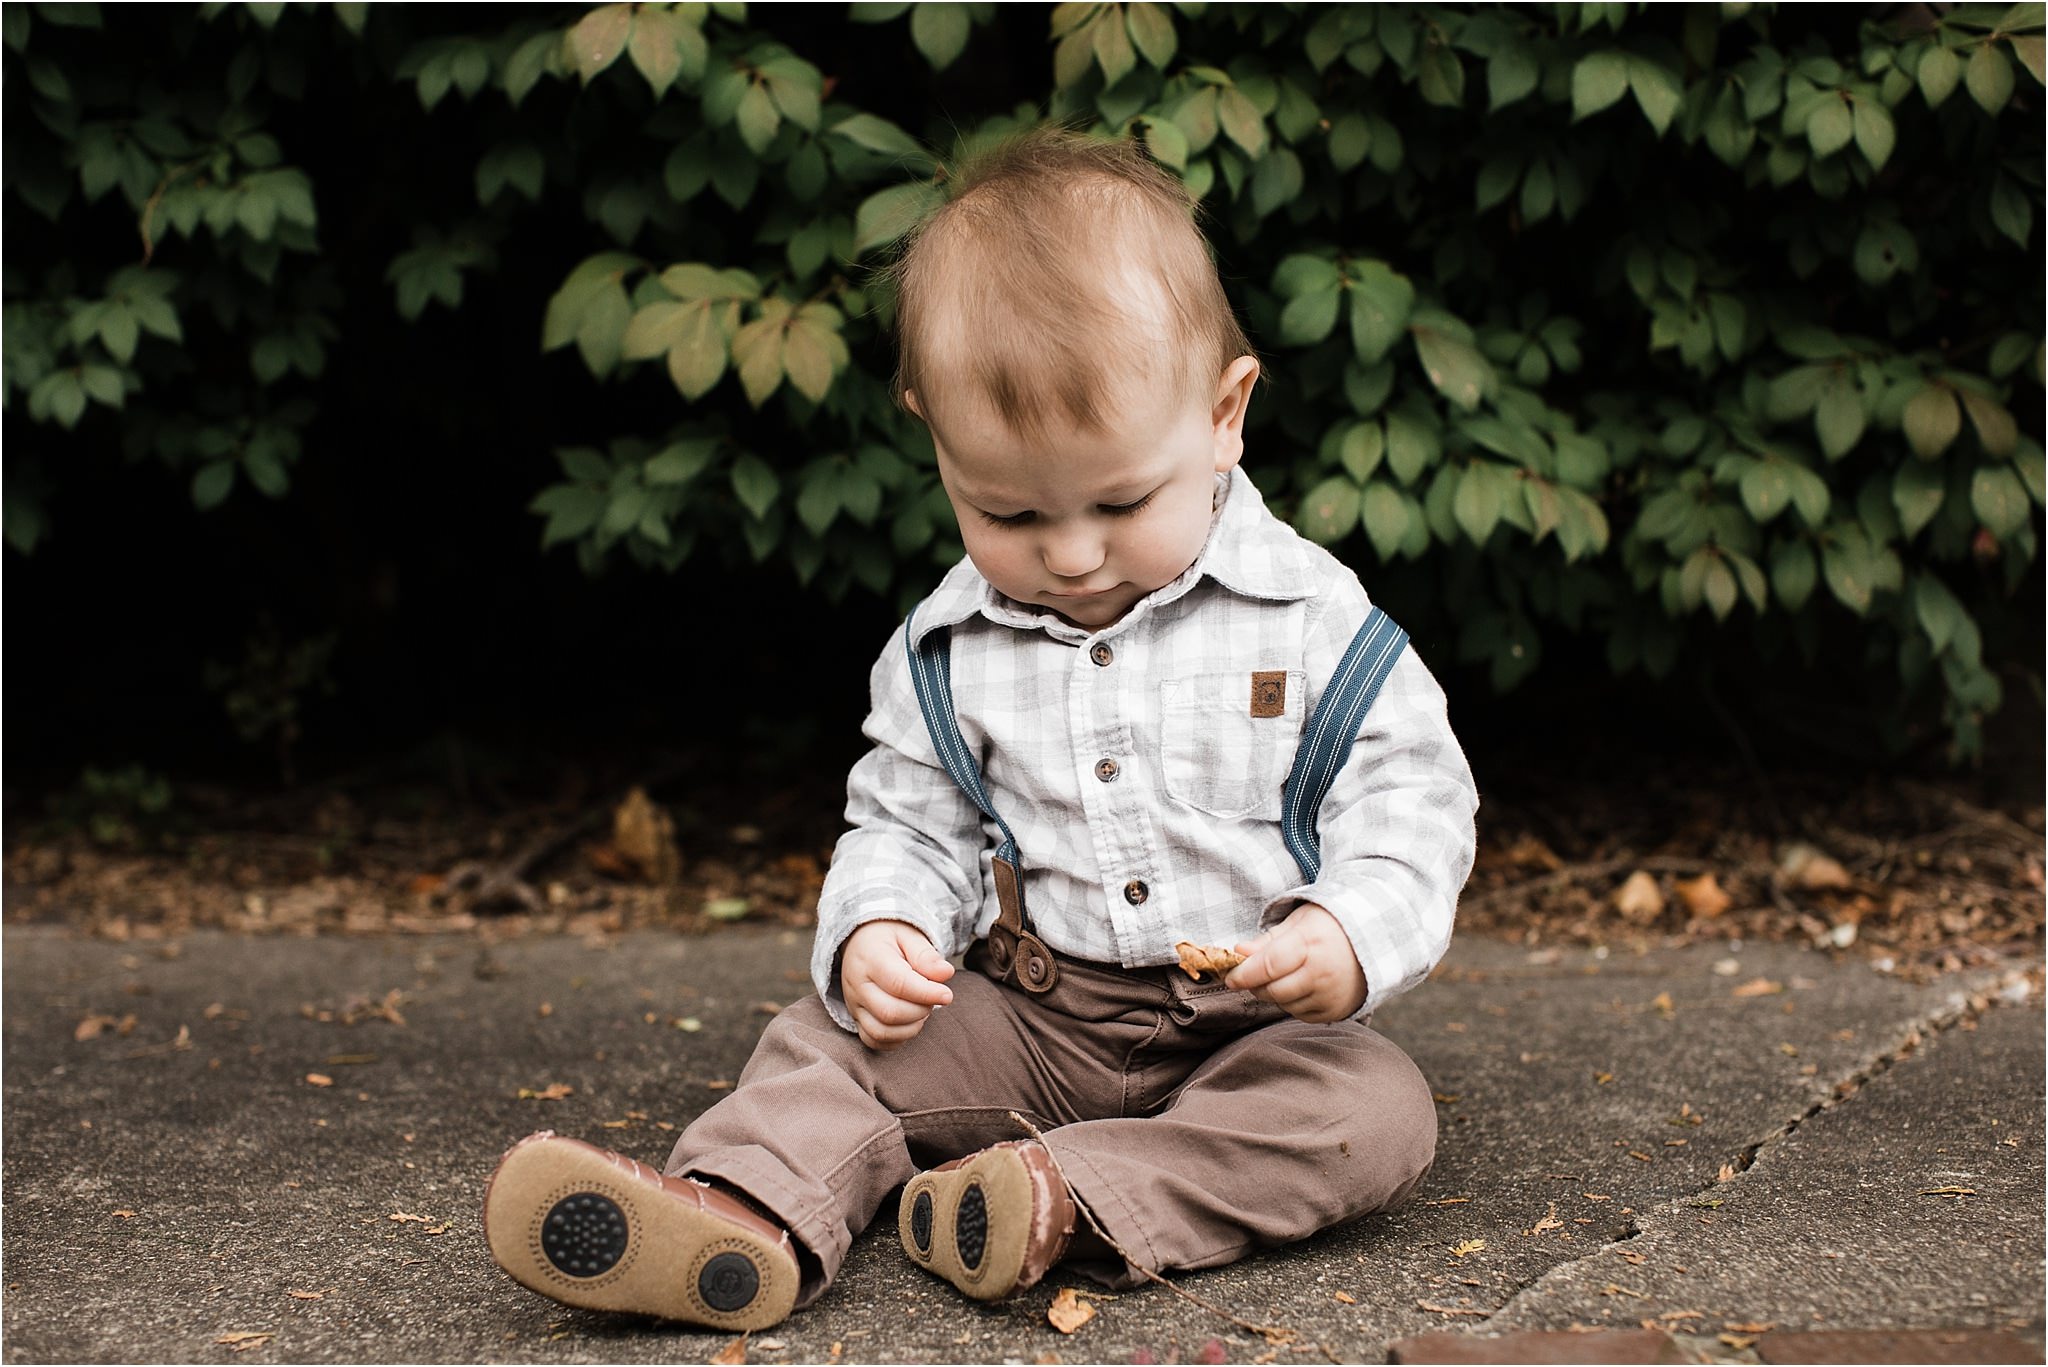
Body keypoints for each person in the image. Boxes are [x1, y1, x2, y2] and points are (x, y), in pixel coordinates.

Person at [482, 123, 1479, 1333]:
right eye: (1004, 508)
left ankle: (1067, 1199)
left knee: (1368, 1111)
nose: (1067, 552)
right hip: (1029, 1015)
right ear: (933, 439)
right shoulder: (947, 647)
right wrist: (884, 925)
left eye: (1121, 499)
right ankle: (739, 1211)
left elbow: (1410, 797)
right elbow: (908, 815)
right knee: (828, 1044)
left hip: (1248, 1031)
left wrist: (1350, 927)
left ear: (1225, 414)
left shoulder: (1311, 621)